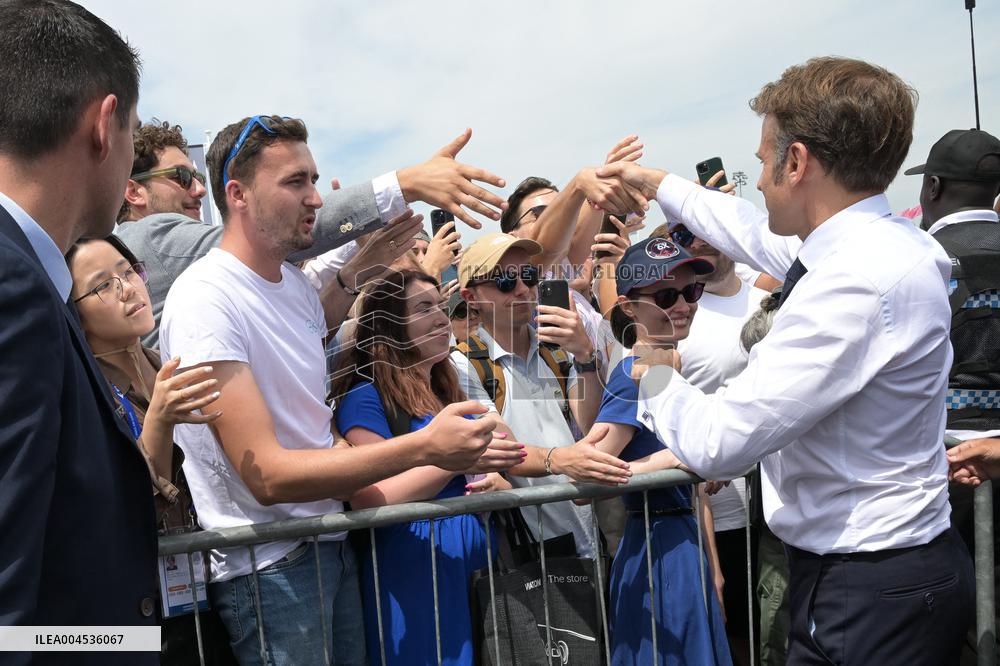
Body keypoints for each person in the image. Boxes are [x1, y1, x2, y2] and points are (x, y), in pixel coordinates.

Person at [600, 56, 975, 664]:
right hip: (890, 575)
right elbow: (749, 228)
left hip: (866, 589)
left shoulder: (853, 279)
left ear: (796, 163)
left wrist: (651, 359)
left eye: (762, 160)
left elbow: (719, 440)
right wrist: (657, 184)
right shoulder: (880, 244)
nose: (759, 178)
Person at [159, 115, 520, 664]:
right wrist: (428, 449)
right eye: (294, 182)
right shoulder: (205, 299)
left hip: (328, 545)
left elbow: (305, 402)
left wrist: (362, 262)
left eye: (313, 180)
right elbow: (268, 475)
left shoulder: (293, 286)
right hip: (271, 570)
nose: (314, 199)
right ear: (237, 194)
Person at [0, 1, 159, 659]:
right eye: (133, 135)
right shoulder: (14, 291)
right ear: (103, 125)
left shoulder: (31, 285)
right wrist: (112, 640)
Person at [117, 119, 507, 347]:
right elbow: (265, 232)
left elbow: (307, 336)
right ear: (133, 191)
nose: (198, 190)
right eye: (183, 178)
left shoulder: (224, 276)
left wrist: (358, 264)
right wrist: (406, 184)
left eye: (199, 177)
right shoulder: (146, 239)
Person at [331, 269, 518, 665]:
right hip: (415, 573)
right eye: (423, 308)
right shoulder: (366, 396)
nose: (441, 317)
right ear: (389, 327)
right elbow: (370, 498)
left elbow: (499, 456)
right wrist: (452, 462)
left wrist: (501, 485)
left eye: (441, 306)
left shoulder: (446, 390)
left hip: (474, 567)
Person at [66, 235, 236, 664]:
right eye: (103, 285)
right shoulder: (86, 393)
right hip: (137, 612)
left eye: (128, 271)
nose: (127, 288)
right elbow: (129, 506)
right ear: (75, 312)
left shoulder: (170, 363)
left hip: (209, 589)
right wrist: (158, 420)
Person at [590, 238, 732, 665]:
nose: (684, 305)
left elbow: (697, 492)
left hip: (685, 546)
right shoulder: (630, 376)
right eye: (667, 296)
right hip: (654, 552)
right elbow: (584, 481)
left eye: (692, 291)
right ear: (630, 308)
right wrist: (671, 461)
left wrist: (715, 567)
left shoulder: (672, 363)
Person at [453, 233, 631, 557]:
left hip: (587, 538)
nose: (522, 289)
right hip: (527, 552)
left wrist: (585, 356)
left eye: (529, 276)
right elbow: (501, 447)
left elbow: (592, 428)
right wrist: (560, 460)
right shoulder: (461, 363)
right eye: (505, 281)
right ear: (471, 297)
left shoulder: (557, 351)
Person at [650, 220, 769, 665]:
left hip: (776, 506)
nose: (700, 243)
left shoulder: (771, 304)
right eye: (685, 237)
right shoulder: (670, 320)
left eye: (708, 232)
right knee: (733, 633)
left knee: (774, 631)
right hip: (715, 516)